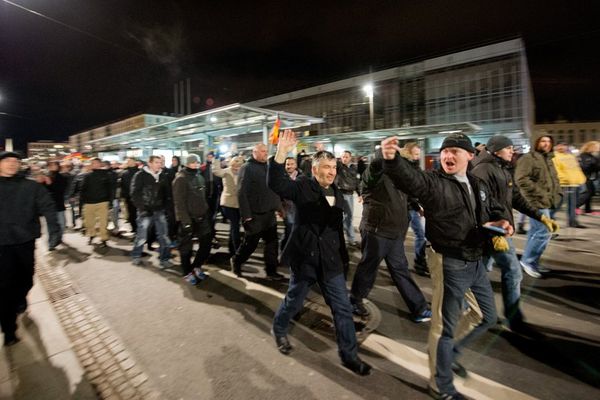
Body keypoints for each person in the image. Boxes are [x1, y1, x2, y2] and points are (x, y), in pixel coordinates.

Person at [380, 133, 512, 400]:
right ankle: (441, 384)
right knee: (443, 326)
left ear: (469, 156)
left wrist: (502, 222)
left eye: (455, 151)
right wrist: (391, 159)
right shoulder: (433, 183)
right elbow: (410, 179)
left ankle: (446, 352)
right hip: (448, 261)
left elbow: (494, 208)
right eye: (445, 151)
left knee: (485, 316)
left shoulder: (477, 183)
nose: (448, 156)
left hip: (475, 259)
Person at [268, 130, 371, 376]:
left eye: (333, 166)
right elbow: (277, 184)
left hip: (331, 261)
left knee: (342, 308)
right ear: (314, 170)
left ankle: (349, 356)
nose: (331, 171)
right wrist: (281, 154)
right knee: (294, 300)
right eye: (326, 166)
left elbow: (337, 228)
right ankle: (279, 329)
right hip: (307, 259)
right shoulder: (303, 186)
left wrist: (344, 259)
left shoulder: (336, 190)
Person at [472, 135, 559, 331]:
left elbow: (516, 198)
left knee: (479, 273)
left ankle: (468, 309)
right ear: (496, 150)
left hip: (499, 230)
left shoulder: (502, 168)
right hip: (494, 232)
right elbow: (480, 205)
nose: (512, 151)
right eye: (508, 148)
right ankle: (514, 319)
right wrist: (493, 230)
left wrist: (540, 217)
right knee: (512, 271)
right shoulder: (483, 170)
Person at [350, 148, 432, 323]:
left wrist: (417, 206)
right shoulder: (375, 175)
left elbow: (407, 196)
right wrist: (382, 161)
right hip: (377, 232)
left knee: (400, 270)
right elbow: (367, 178)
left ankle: (419, 308)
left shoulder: (398, 176)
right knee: (368, 268)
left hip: (394, 232)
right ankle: (355, 301)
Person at [0, 151, 60, 346]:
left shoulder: (30, 186)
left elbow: (48, 207)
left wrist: (54, 230)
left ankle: (20, 297)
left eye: (15, 161)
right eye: (6, 161)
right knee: (4, 286)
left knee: (26, 278)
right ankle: (9, 328)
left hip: (25, 242)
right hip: (2, 245)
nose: (11, 164)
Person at [231, 143, 283, 279]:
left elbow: (273, 188)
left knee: (272, 244)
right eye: (262, 151)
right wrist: (246, 216)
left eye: (266, 151)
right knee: (250, 245)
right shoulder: (247, 168)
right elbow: (241, 193)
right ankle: (237, 261)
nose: (265, 153)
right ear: (254, 152)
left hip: (269, 214)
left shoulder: (268, 167)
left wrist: (279, 207)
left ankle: (271, 271)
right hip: (255, 215)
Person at [515, 134, 562, 278]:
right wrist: (541, 194)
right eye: (543, 141)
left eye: (548, 141)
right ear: (536, 143)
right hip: (535, 201)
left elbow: (553, 179)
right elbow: (521, 179)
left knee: (536, 232)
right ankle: (528, 261)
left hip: (545, 201)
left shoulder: (548, 159)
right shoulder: (529, 158)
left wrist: (558, 194)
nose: (546, 144)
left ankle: (531, 261)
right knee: (544, 231)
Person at [172, 154, 212, 284]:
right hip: (189, 219)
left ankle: (196, 267)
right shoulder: (181, 179)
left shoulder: (199, 176)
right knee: (186, 248)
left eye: (197, 162)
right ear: (186, 163)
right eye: (192, 162)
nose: (195, 164)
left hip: (202, 217)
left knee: (206, 244)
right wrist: (185, 221)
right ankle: (186, 272)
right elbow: (179, 203)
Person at [130, 155, 172, 268]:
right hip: (145, 211)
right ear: (150, 163)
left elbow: (167, 194)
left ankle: (165, 258)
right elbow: (134, 194)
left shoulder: (163, 176)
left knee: (164, 236)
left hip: (159, 210)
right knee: (142, 236)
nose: (159, 164)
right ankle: (136, 256)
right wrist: (142, 209)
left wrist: (167, 208)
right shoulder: (140, 175)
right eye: (157, 162)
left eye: (160, 162)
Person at [401, 142, 429, 276]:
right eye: (416, 154)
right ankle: (399, 266)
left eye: (419, 154)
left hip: (412, 207)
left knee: (420, 235)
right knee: (399, 238)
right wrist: (417, 207)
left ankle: (419, 263)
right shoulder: (404, 168)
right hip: (404, 208)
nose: (418, 157)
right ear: (408, 153)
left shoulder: (415, 167)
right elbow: (408, 190)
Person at [212, 156, 245, 256]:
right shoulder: (226, 171)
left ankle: (232, 248)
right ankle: (236, 250)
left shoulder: (244, 173)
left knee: (235, 226)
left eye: (239, 166)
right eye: (234, 165)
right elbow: (216, 171)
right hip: (228, 204)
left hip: (239, 204)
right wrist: (216, 159)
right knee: (235, 226)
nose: (236, 168)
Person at [552, 142, 587, 228]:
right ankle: (548, 218)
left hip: (574, 183)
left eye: (564, 145)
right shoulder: (554, 156)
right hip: (563, 184)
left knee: (572, 204)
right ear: (556, 147)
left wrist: (582, 180)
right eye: (560, 145)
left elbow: (577, 169)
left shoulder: (571, 156)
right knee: (558, 203)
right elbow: (556, 170)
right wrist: (564, 179)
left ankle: (573, 221)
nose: (562, 147)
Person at [81, 158, 113, 247]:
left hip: (103, 202)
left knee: (103, 222)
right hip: (89, 202)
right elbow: (83, 189)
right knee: (89, 222)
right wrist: (82, 202)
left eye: (95, 163)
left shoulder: (106, 174)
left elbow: (110, 189)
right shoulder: (87, 176)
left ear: (100, 164)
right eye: (92, 163)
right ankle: (91, 235)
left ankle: (104, 238)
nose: (94, 164)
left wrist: (110, 201)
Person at [336, 150, 360, 246]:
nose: (344, 158)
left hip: (350, 194)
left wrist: (360, 193)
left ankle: (349, 238)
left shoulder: (354, 168)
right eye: (343, 157)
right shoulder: (339, 166)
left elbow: (356, 181)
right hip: (341, 194)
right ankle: (349, 238)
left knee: (348, 217)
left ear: (350, 158)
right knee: (345, 216)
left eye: (346, 157)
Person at [279, 157, 301, 251]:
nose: (289, 166)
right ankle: (284, 250)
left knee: (297, 230)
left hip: (299, 207)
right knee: (289, 229)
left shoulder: (302, 177)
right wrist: (280, 208)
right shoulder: (281, 177)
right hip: (287, 207)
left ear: (295, 165)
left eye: (292, 164)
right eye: (287, 164)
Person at [45, 160, 69, 249]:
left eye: (55, 165)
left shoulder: (62, 177)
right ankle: (51, 243)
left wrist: (50, 184)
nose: (53, 167)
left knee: (62, 224)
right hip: (49, 205)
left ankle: (58, 238)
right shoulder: (46, 177)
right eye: (51, 165)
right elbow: (43, 191)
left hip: (59, 204)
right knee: (51, 225)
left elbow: (61, 190)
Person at [578, 141, 600, 214]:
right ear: (591, 147)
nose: (598, 148)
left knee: (591, 192)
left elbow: (597, 167)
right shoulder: (584, 155)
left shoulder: (592, 156)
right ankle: (575, 206)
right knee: (588, 193)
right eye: (597, 146)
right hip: (584, 177)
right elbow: (584, 167)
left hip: (590, 177)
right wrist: (592, 164)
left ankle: (588, 210)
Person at [119, 158, 139, 234]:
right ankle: (134, 228)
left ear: (134, 162)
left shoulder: (139, 172)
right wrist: (123, 195)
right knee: (131, 214)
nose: (128, 162)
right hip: (128, 197)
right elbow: (122, 185)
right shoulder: (124, 173)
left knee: (138, 214)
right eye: (127, 161)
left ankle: (138, 229)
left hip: (138, 197)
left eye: (130, 161)